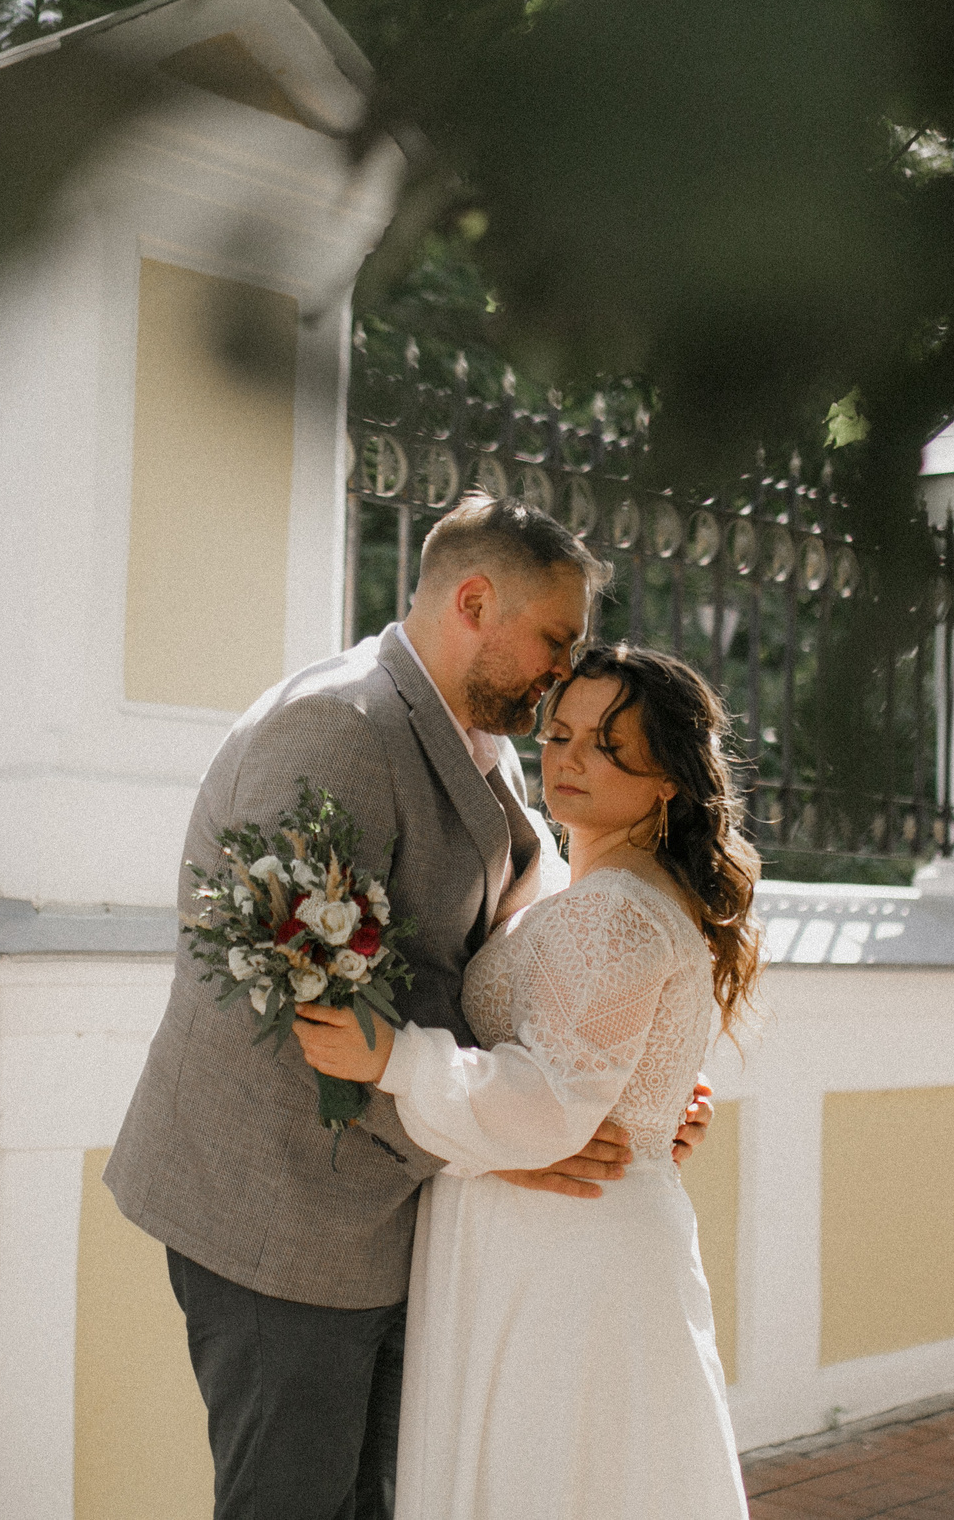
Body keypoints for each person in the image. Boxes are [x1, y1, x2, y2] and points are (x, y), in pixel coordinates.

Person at [105, 494, 712, 1520]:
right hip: (282, 1217)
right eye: (555, 639)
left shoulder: (487, 742)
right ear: (475, 603)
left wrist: (618, 1085)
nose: (563, 669)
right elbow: (289, 1010)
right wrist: (508, 1140)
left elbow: (508, 963)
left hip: (393, 1214)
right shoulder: (337, 728)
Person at [295, 640, 759, 1520]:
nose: (570, 758)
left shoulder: (615, 910)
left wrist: (392, 1058)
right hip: (555, 1239)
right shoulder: (595, 887)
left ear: (668, 780)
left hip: (566, 1254)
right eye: (562, 733)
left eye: (608, 745)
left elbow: (548, 1104)